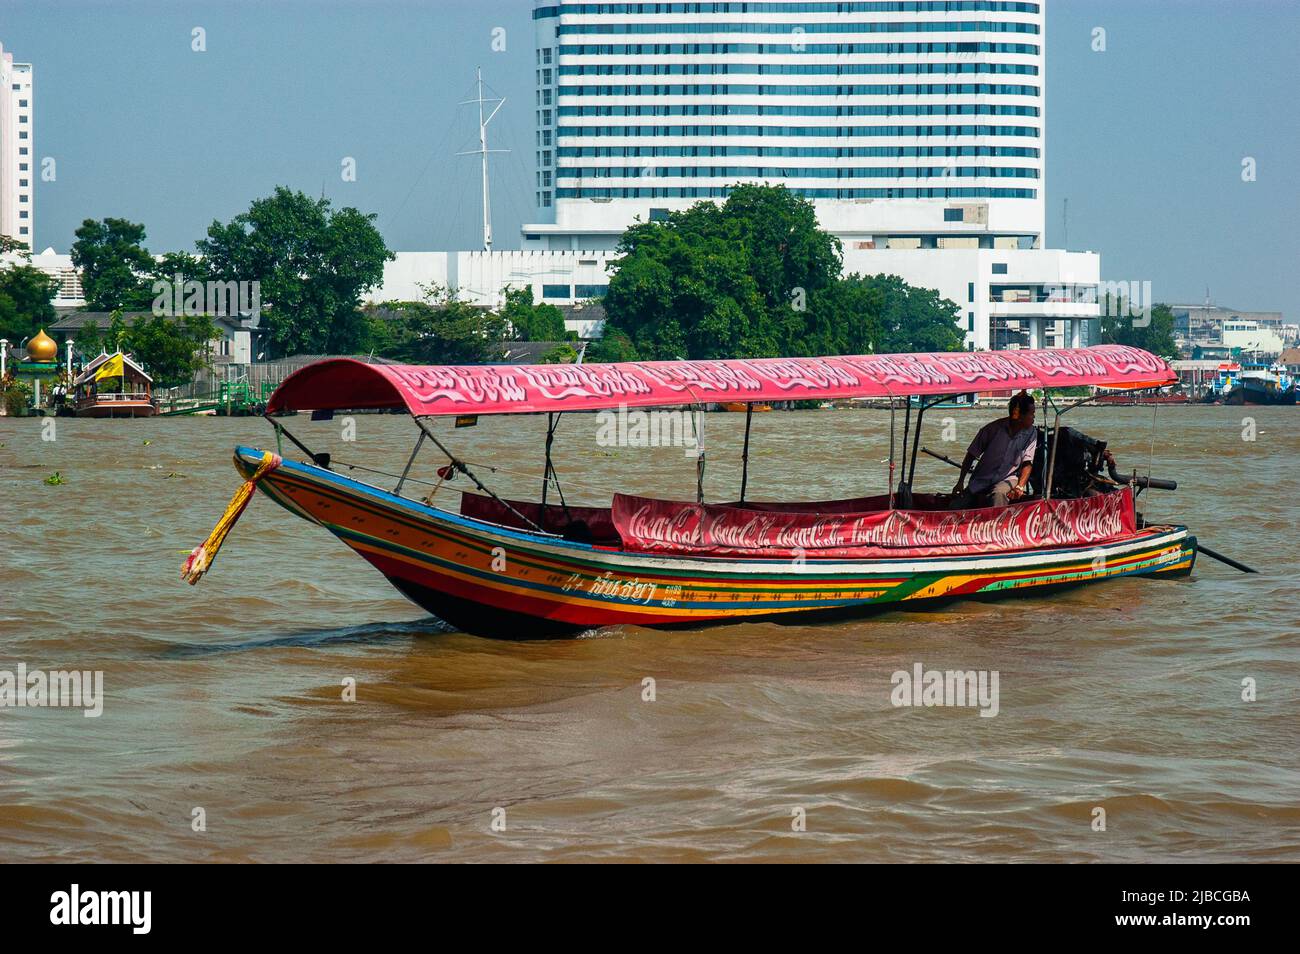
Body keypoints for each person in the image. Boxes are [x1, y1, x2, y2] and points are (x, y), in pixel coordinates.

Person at [952, 391, 1037, 507]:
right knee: (957, 505)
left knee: (998, 494)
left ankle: (998, 524)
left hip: (1008, 478)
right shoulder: (992, 429)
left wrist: (1020, 486)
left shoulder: (1031, 433)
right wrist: (960, 482)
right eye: (1031, 414)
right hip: (981, 479)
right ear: (1020, 416)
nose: (1034, 417)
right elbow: (971, 455)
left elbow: (1027, 463)